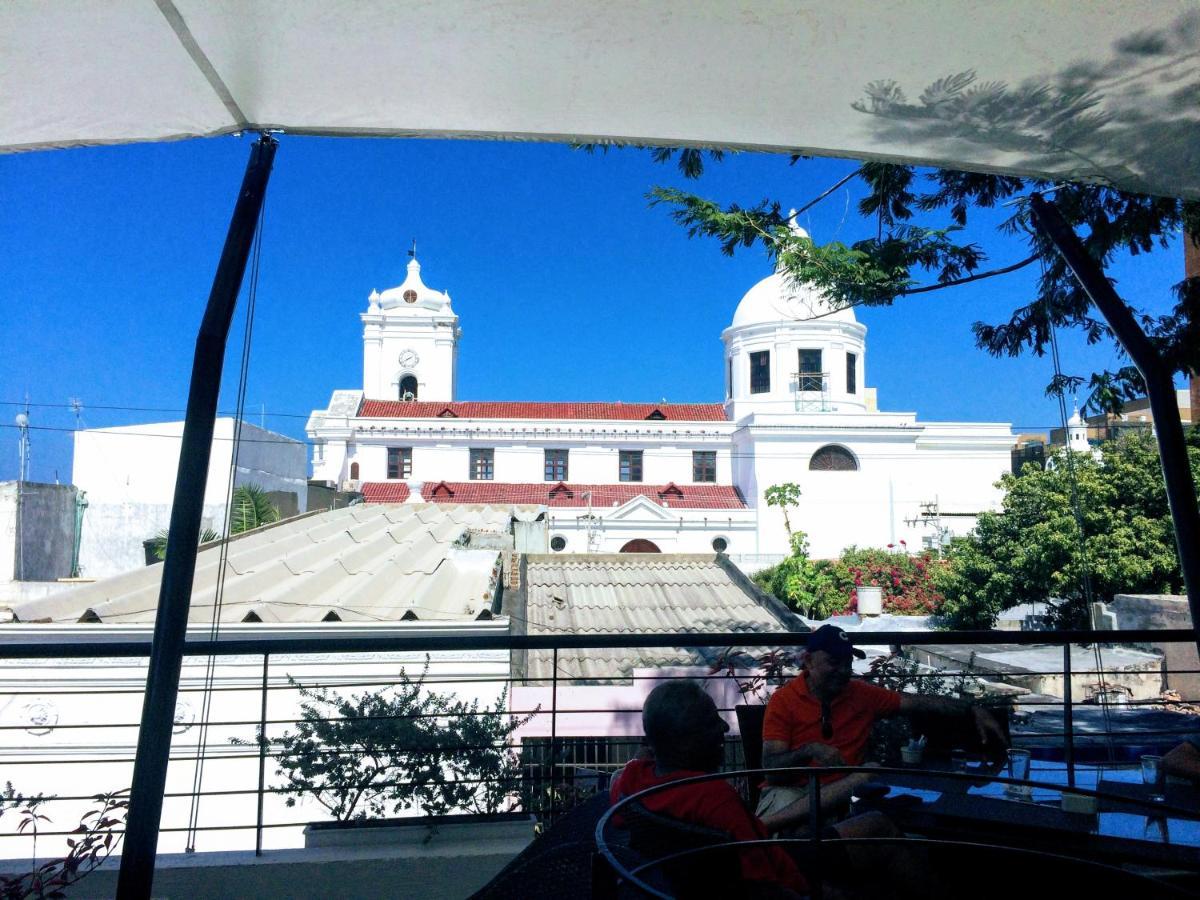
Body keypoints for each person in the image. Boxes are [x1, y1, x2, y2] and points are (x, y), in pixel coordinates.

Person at [610, 679, 899, 898]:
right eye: (712, 722)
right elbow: (766, 883)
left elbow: (618, 809)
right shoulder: (713, 798)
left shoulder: (634, 781)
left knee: (875, 825)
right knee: (883, 830)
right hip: (788, 876)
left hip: (700, 875)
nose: (724, 728)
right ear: (686, 741)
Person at [757, 624, 1008, 821]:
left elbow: (918, 702)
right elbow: (773, 772)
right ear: (809, 662)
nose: (843, 670)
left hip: (845, 798)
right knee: (861, 779)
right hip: (791, 793)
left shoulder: (861, 694)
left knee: (868, 786)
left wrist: (972, 708)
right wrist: (809, 751)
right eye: (834, 662)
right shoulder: (784, 701)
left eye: (848, 662)